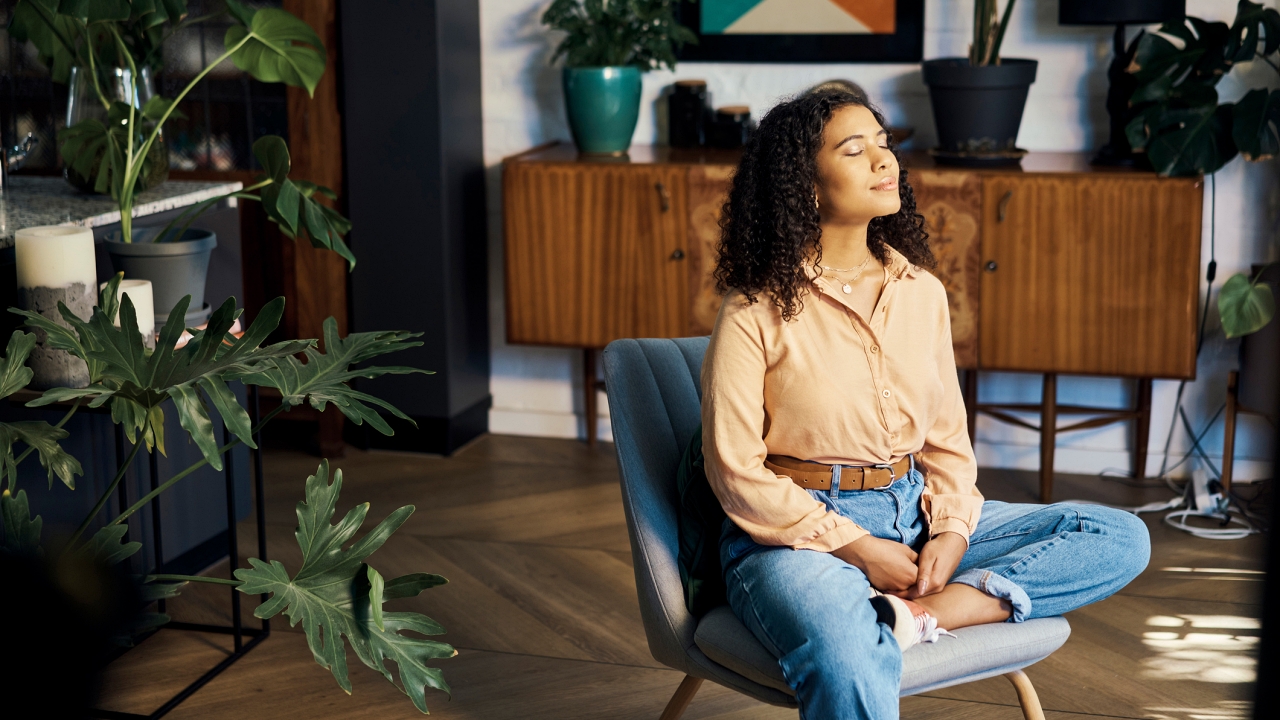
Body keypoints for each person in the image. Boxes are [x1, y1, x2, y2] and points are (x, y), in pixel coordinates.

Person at [701, 88, 1151, 719]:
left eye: (884, 145)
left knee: (1117, 534)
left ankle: (922, 615)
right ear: (804, 184)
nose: (885, 161)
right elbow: (735, 471)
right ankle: (891, 617)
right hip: (794, 537)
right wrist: (856, 546)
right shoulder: (755, 308)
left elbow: (945, 443)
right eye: (856, 150)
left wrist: (951, 529)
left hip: (914, 509)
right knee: (847, 650)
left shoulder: (922, 293)